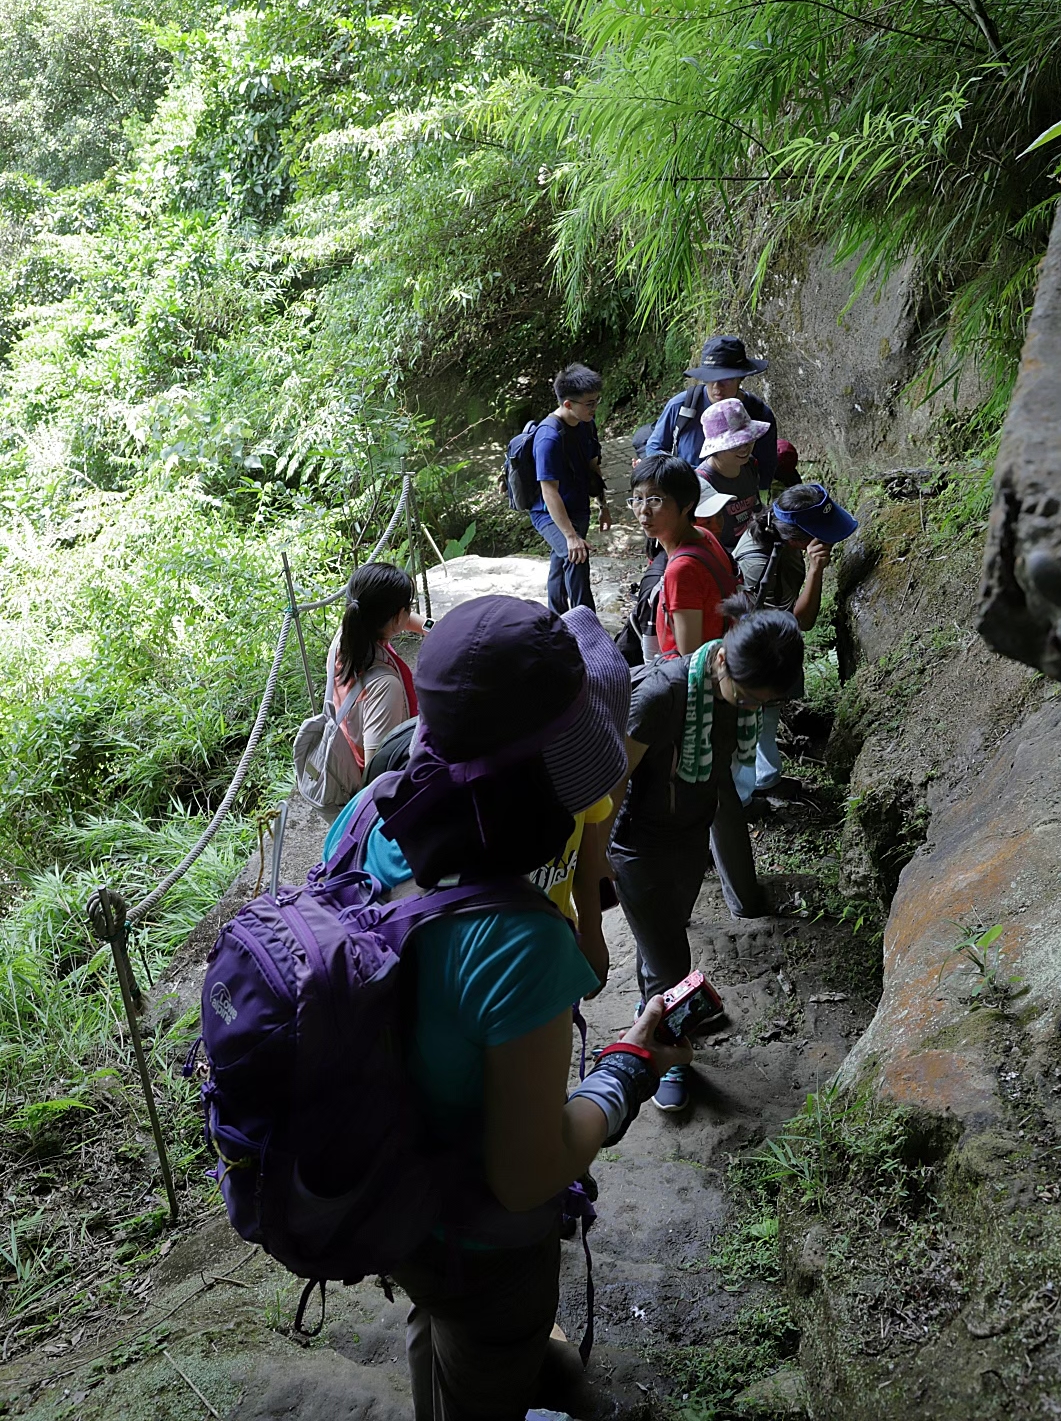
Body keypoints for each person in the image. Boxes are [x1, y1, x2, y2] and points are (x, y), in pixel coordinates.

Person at [368, 596, 690, 1420]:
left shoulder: (368, 822)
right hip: (479, 1237)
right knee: (489, 1363)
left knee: (440, 1329)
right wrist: (625, 1072)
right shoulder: (517, 943)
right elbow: (526, 1175)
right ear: (551, 782)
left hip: (390, 1192)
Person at [320, 606, 628, 993]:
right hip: (527, 977)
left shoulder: (360, 814)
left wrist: (593, 933)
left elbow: (588, 853)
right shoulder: (527, 940)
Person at [609, 607, 804, 1111]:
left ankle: (656, 1009)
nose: (750, 708)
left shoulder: (738, 696)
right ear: (721, 661)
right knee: (669, 956)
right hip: (639, 845)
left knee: (667, 935)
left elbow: (719, 771)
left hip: (688, 834)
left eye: (762, 703)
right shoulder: (659, 697)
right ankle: (663, 1055)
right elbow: (609, 789)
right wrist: (593, 875)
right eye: (745, 697)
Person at [732, 484, 858, 806]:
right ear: (799, 539)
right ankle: (745, 797)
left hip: (772, 643)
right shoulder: (759, 564)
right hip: (756, 652)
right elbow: (798, 623)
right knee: (751, 721)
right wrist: (816, 571)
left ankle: (767, 778)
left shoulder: (784, 541)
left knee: (767, 719)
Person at [626, 455, 738, 659]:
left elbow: (689, 660)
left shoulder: (682, 569)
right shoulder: (706, 536)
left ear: (687, 504)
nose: (643, 510)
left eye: (655, 500)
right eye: (637, 499)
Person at [326, 562, 421, 779]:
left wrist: (432, 627)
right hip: (371, 780)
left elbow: (397, 618)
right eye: (409, 607)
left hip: (348, 748)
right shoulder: (385, 686)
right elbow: (377, 770)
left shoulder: (346, 638)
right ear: (397, 617)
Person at [529, 364, 610, 615]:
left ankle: (556, 620)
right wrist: (571, 536)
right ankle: (587, 625)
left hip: (577, 507)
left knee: (561, 561)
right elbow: (548, 492)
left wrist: (603, 506)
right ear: (567, 404)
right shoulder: (548, 437)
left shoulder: (586, 423)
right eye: (589, 403)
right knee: (577, 556)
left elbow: (592, 467)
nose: (594, 408)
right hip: (549, 512)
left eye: (596, 401)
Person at [645, 335, 778, 488]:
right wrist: (684, 476)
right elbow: (654, 448)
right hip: (689, 492)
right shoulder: (682, 406)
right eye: (710, 378)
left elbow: (766, 468)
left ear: (741, 378)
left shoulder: (758, 414)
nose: (717, 387)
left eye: (726, 379)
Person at [694, 397, 771, 551]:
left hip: (752, 541)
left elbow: (755, 506)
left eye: (748, 440)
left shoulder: (749, 464)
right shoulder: (702, 483)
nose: (744, 449)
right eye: (734, 445)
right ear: (715, 448)